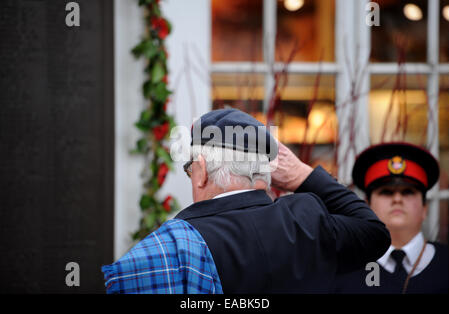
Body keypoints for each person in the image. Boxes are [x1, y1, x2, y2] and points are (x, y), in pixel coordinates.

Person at [102, 108, 390, 294]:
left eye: (190, 169)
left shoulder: (169, 248)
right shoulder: (308, 220)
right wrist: (303, 175)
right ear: (266, 175)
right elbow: (374, 233)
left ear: (200, 172)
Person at [334, 142, 449, 294]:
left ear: (424, 208)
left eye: (408, 192)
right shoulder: (344, 268)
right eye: (386, 192)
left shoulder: (446, 264)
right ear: (367, 207)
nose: (397, 199)